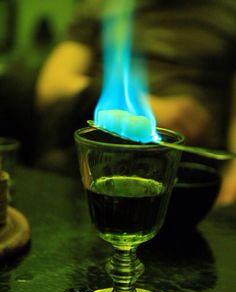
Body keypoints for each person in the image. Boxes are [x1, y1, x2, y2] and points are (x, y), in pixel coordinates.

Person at [34, 0, 236, 205]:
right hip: (97, 157)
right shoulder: (101, 4)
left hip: (188, 168)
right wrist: (151, 110)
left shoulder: (228, 11)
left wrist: (233, 178)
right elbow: (52, 85)